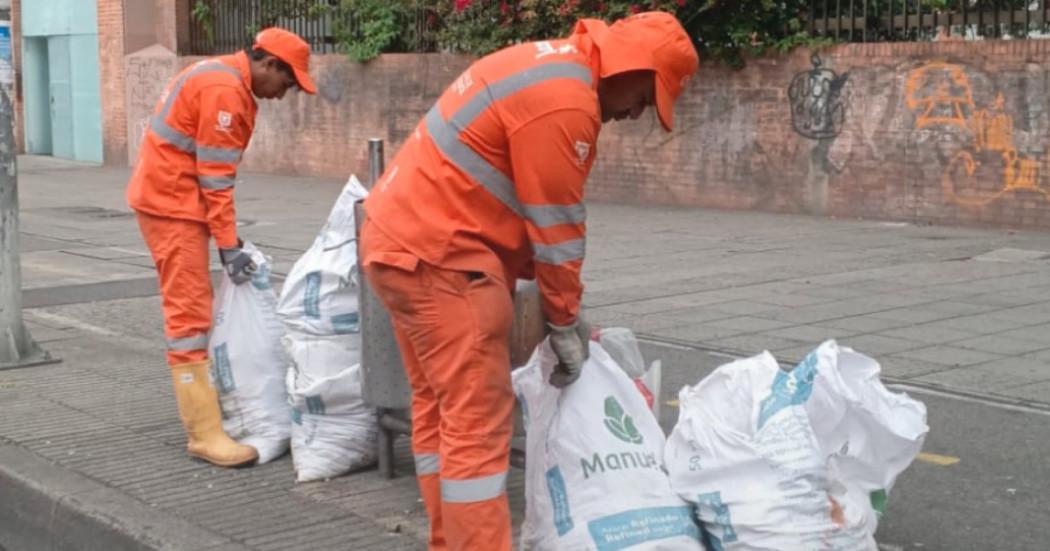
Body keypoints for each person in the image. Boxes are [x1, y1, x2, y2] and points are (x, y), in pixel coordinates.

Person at [359, 11, 698, 550]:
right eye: (646, 98)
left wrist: (555, 303)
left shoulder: (549, 67)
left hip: (397, 245)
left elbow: (502, 198)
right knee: (476, 427)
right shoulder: (567, 103)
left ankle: (448, 541)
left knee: (438, 411)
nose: (637, 115)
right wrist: (563, 320)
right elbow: (556, 228)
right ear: (634, 68)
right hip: (444, 260)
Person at [126, 27, 316, 467]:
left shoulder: (220, 77)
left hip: (171, 201)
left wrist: (230, 242)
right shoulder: (223, 90)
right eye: (287, 83)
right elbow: (215, 180)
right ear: (268, 63)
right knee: (189, 316)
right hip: (172, 207)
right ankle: (204, 434)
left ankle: (209, 420)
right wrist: (230, 246)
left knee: (193, 311)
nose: (283, 95)